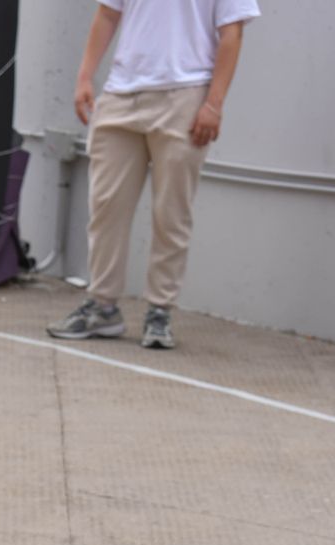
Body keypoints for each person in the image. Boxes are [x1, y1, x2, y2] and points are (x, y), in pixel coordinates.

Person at [47, 0, 259, 349]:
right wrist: (85, 76)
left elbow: (232, 32)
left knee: (171, 213)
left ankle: (159, 311)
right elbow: (107, 14)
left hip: (185, 94)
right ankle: (102, 306)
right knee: (105, 209)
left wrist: (213, 104)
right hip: (120, 93)